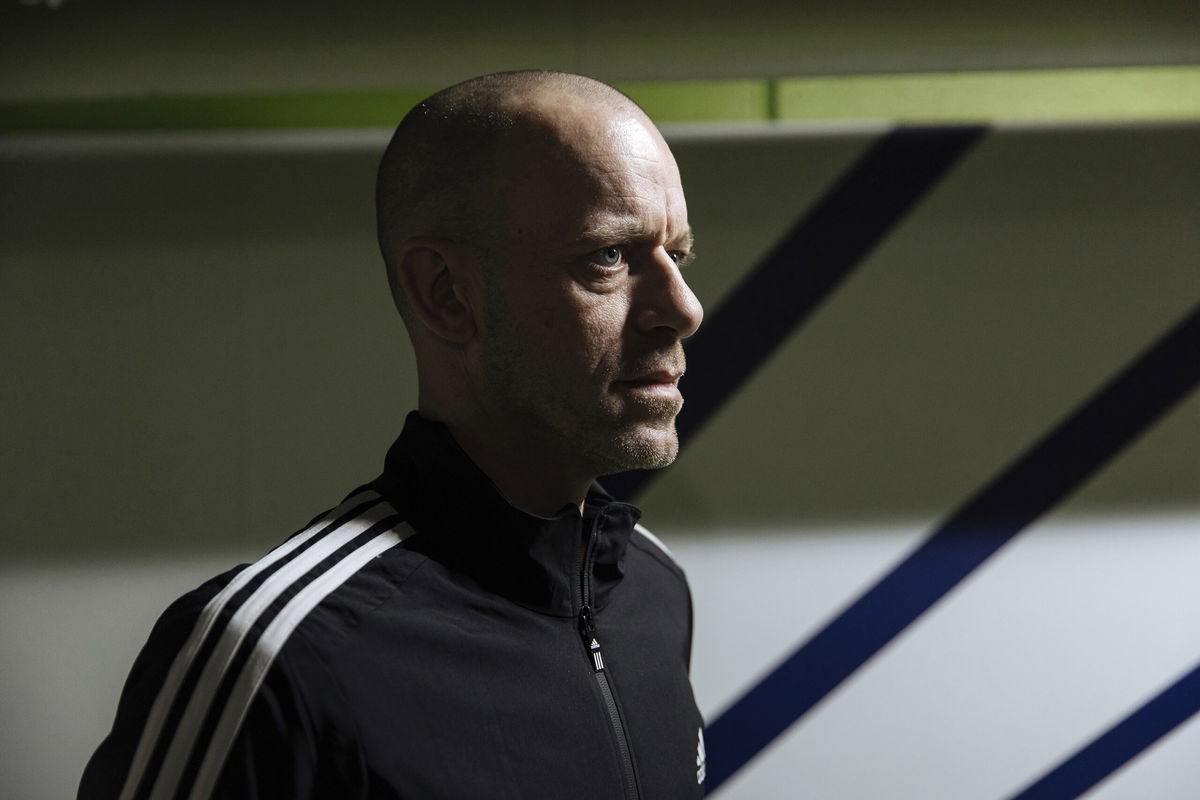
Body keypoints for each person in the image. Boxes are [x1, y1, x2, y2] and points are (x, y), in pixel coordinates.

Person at [79, 70, 706, 800]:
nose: (683, 308)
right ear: (445, 293)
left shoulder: (654, 591)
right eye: (608, 256)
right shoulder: (268, 657)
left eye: (678, 255)